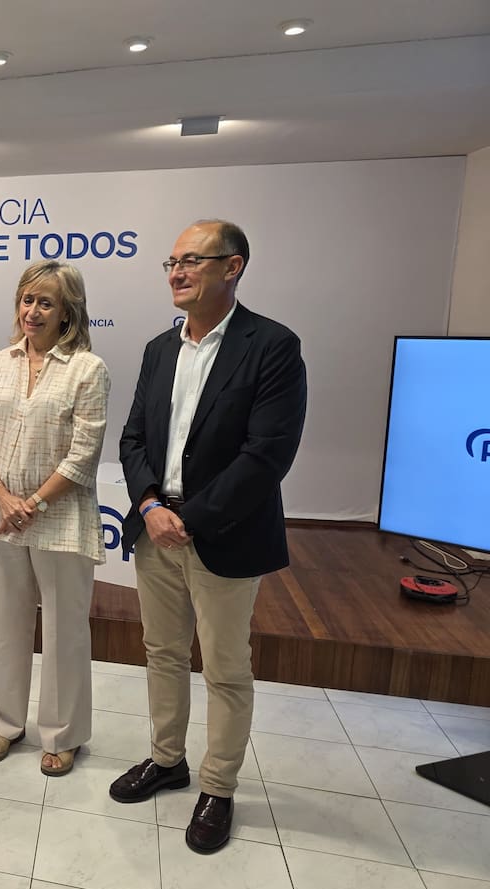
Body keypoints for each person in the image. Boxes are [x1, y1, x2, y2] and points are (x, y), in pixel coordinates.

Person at [109, 220, 307, 853]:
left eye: (192, 260)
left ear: (233, 266)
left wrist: (188, 519)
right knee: (163, 653)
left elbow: (267, 456)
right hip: (155, 530)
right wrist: (148, 504)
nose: (177, 272)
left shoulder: (272, 345)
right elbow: (133, 437)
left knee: (224, 668)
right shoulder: (158, 349)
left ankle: (218, 787)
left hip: (223, 533)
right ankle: (167, 760)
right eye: (171, 262)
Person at [0, 261, 110, 777]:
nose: (33, 311)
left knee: (66, 630)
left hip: (60, 517)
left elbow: (83, 454)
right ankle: (2, 723)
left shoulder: (88, 369)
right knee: (4, 623)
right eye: (27, 300)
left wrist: (33, 504)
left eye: (46, 302)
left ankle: (63, 735)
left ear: (68, 311)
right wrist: (4, 498)